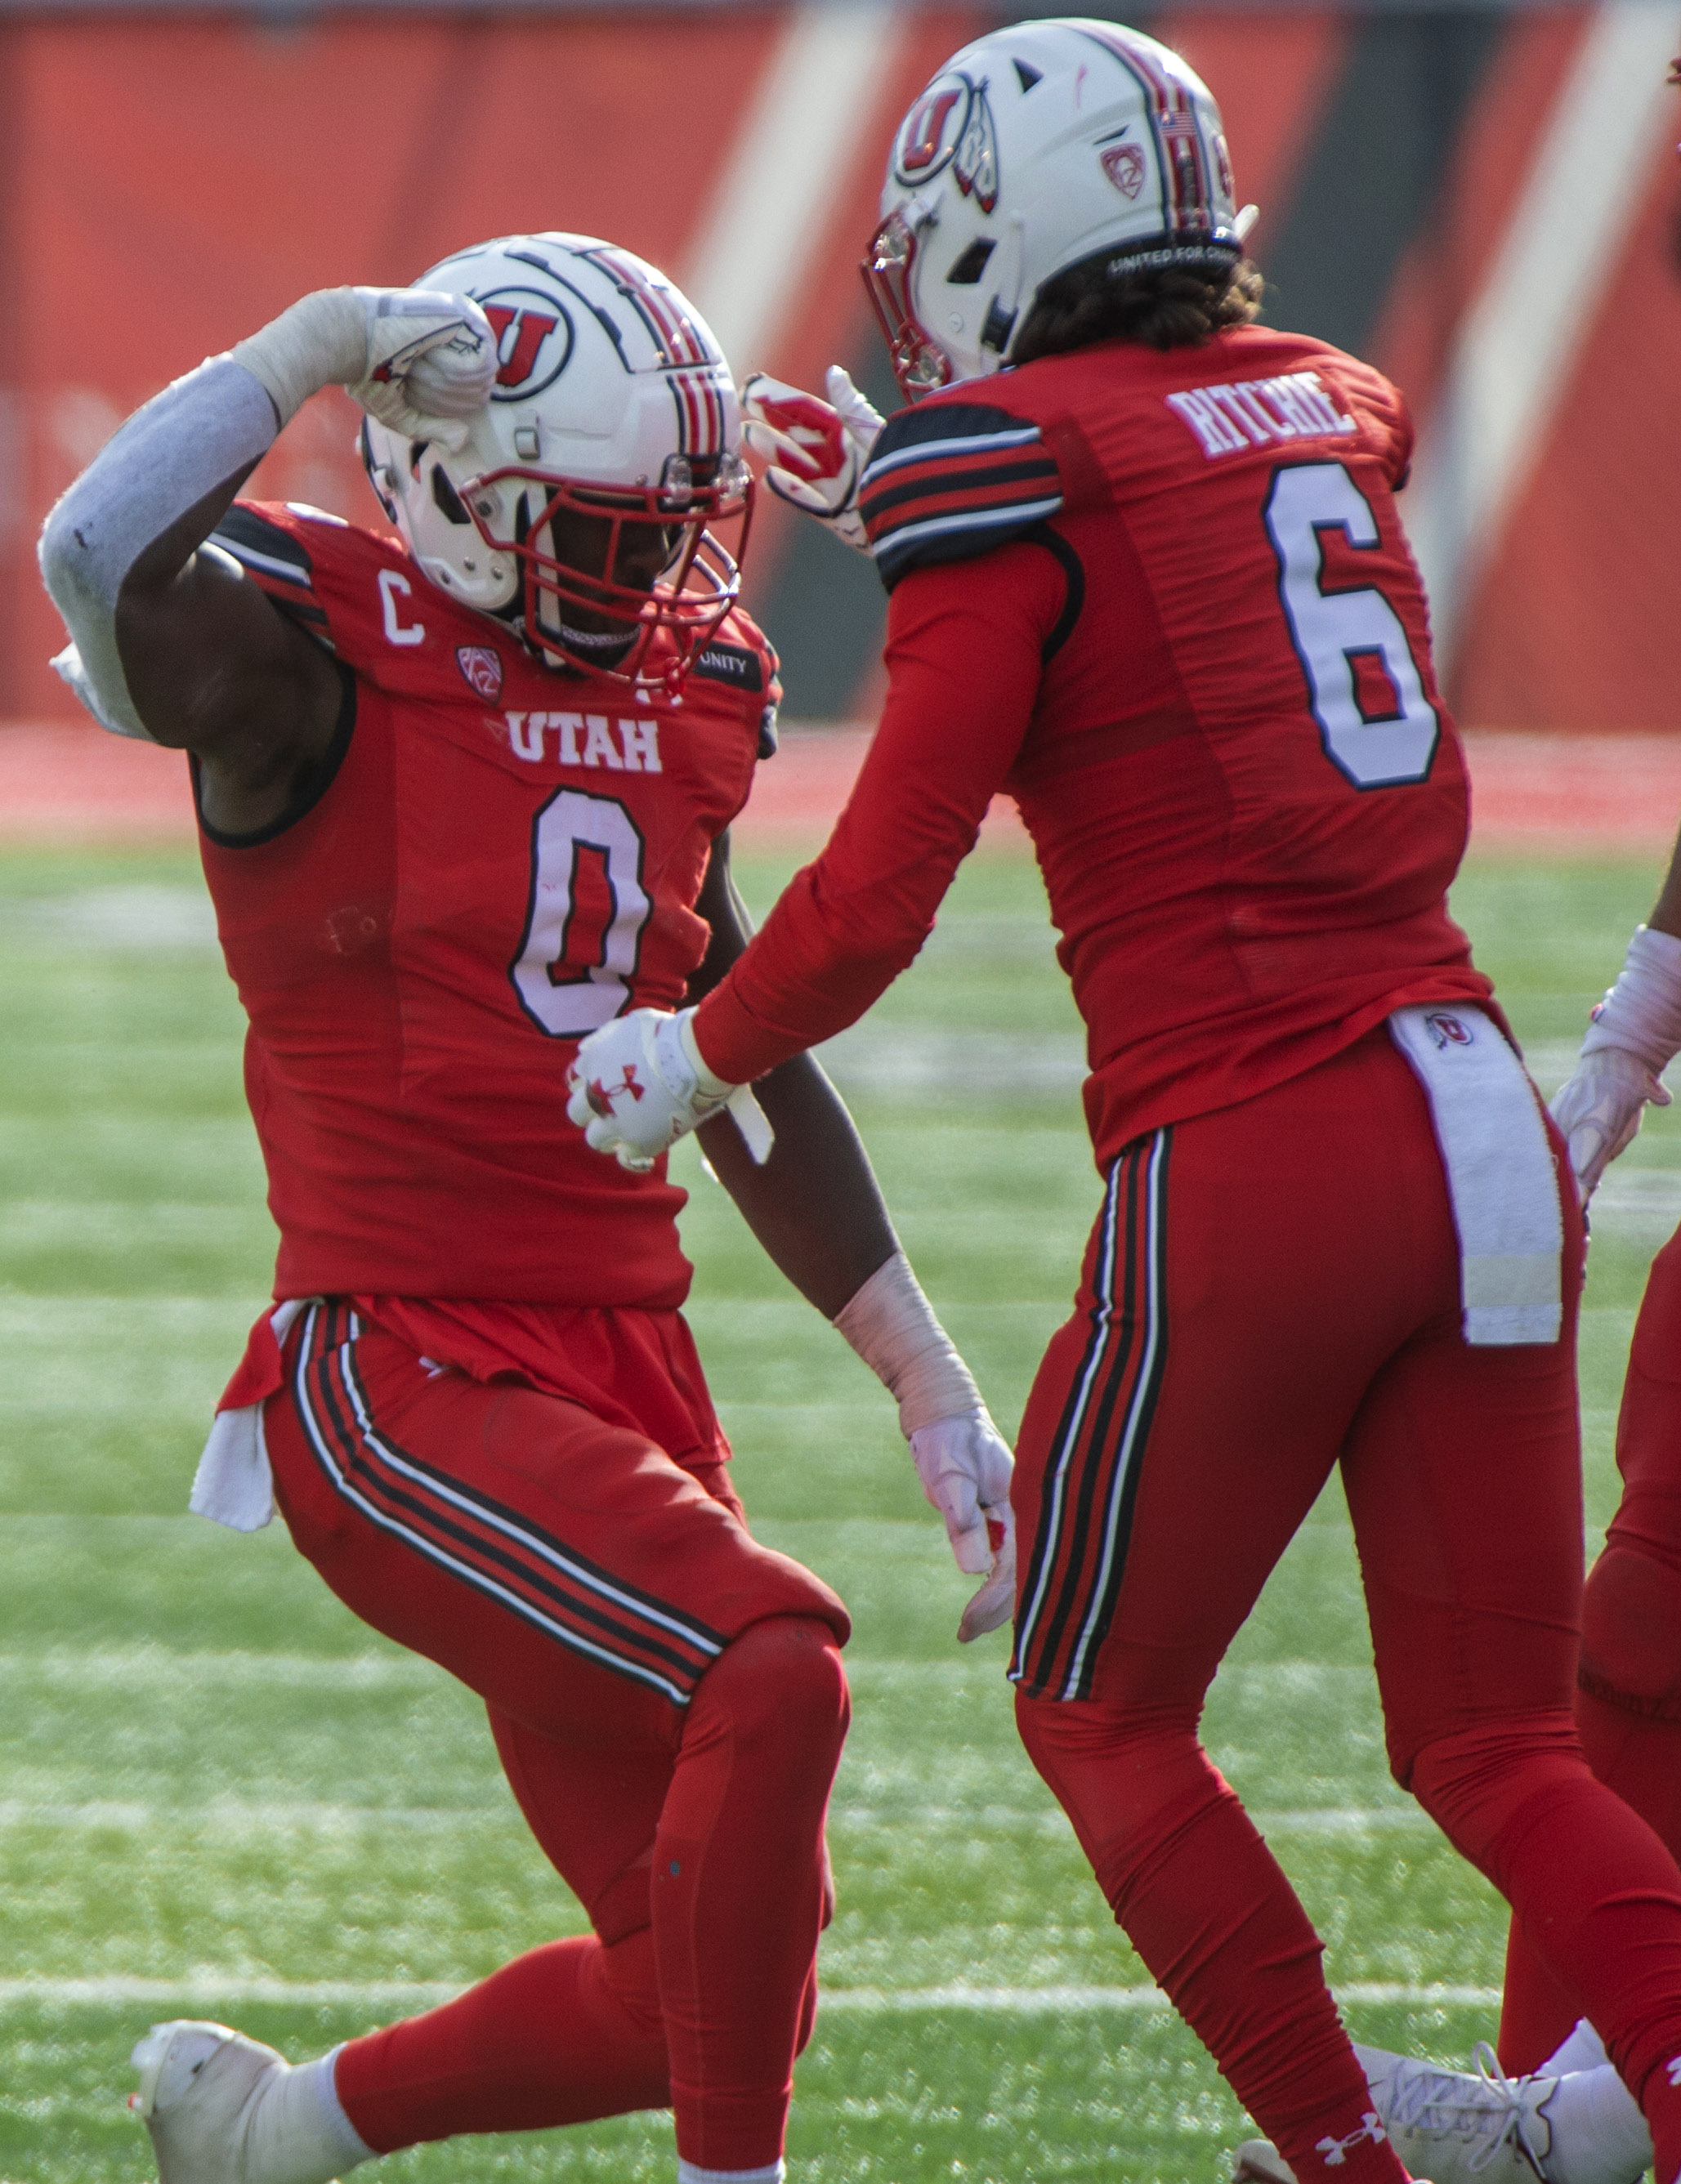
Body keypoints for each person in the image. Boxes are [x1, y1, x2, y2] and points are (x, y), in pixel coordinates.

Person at [566, 23, 1681, 2184]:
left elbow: (877, 889)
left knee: (1099, 1712)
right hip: (1471, 1108)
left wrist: (688, 1056)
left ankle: (1343, 2161)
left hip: (1257, 1144)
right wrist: (902, 464)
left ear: (1005, 230)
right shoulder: (1321, 408)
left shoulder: (1002, 476)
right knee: (1499, 1744)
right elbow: (1147, 526)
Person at [38, 231, 1015, 2184]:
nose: (656, 578)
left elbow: (736, 1041)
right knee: (775, 1660)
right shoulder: (308, 648)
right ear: (452, 491)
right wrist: (295, 347)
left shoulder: (688, 676)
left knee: (713, 1974)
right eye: (603, 530)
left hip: (620, 1372)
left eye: (672, 527)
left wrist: (923, 1376)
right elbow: (91, 559)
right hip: (397, 1362)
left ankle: (274, 2128)